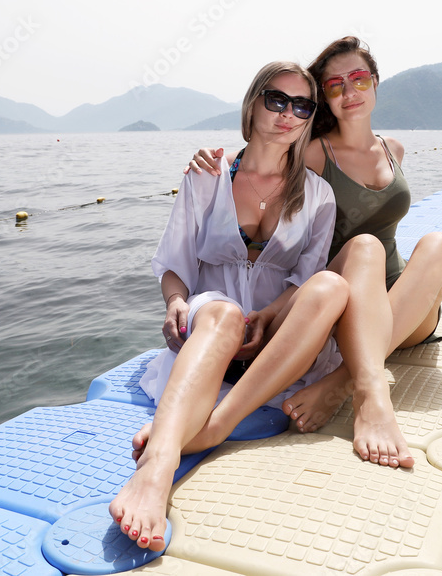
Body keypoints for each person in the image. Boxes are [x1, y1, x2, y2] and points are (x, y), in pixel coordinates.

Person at [186, 37, 442, 470]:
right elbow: (261, 163)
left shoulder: (393, 147)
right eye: (333, 86)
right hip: (343, 303)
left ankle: (341, 382)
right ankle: (371, 392)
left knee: (441, 244)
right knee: (364, 246)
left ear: (375, 83)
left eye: (358, 79)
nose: (349, 93)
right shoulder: (313, 153)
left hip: (404, 305)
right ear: (325, 99)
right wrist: (211, 163)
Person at [109, 62, 349, 552]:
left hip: (276, 342)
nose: (288, 114)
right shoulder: (207, 177)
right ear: (253, 102)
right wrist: (177, 302)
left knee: (328, 284)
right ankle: (157, 470)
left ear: (310, 118)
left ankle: (185, 429)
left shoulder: (319, 196)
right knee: (220, 314)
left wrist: (269, 315)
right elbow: (174, 264)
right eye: (276, 99)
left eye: (302, 106)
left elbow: (306, 281)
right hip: (212, 324)